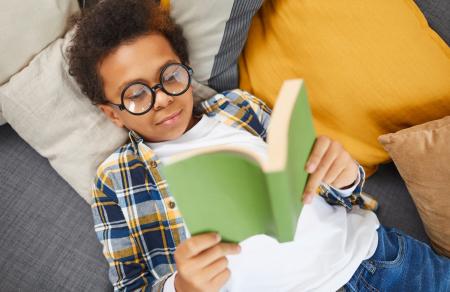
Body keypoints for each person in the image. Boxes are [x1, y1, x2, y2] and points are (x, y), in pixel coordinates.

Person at [67, 1, 450, 291]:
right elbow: (130, 283)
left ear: (185, 69)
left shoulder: (240, 107)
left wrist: (347, 175)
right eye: (135, 95)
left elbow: (335, 193)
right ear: (113, 114)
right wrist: (181, 287)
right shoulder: (114, 180)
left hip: (376, 262)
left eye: (169, 76)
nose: (163, 99)